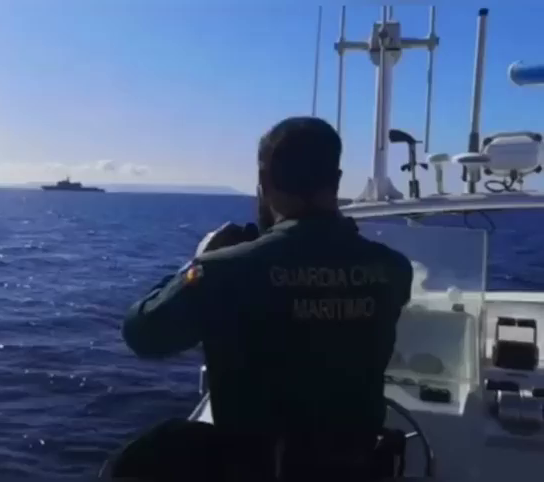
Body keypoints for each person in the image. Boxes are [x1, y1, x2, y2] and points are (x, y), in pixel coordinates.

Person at [115, 116, 414, 481]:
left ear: (264, 184)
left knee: (142, 459)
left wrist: (199, 261)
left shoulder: (225, 271)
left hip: (262, 470)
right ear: (336, 182)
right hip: (357, 467)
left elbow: (141, 332)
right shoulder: (394, 269)